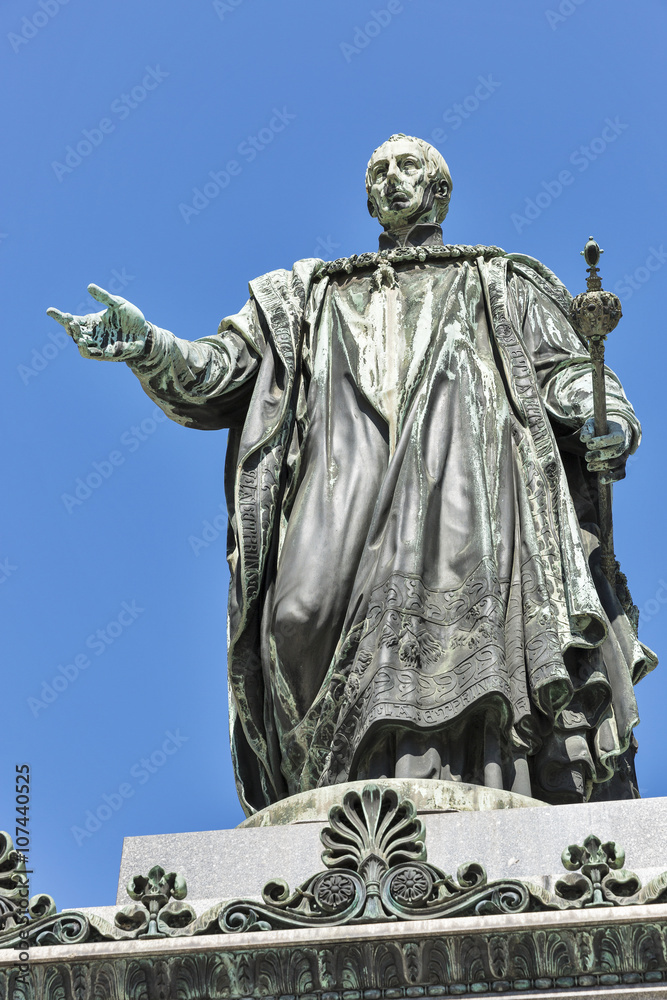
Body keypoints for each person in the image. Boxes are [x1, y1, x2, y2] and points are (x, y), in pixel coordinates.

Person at [48, 134, 656, 815]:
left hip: (467, 482)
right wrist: (148, 346)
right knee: (295, 615)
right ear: (367, 194)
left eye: (407, 167)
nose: (391, 179)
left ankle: (475, 790)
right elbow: (216, 373)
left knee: (468, 614)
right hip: (338, 483)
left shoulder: (495, 278)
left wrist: (600, 417)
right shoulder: (307, 297)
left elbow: (565, 373)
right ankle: (330, 802)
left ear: (439, 190)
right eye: (378, 171)